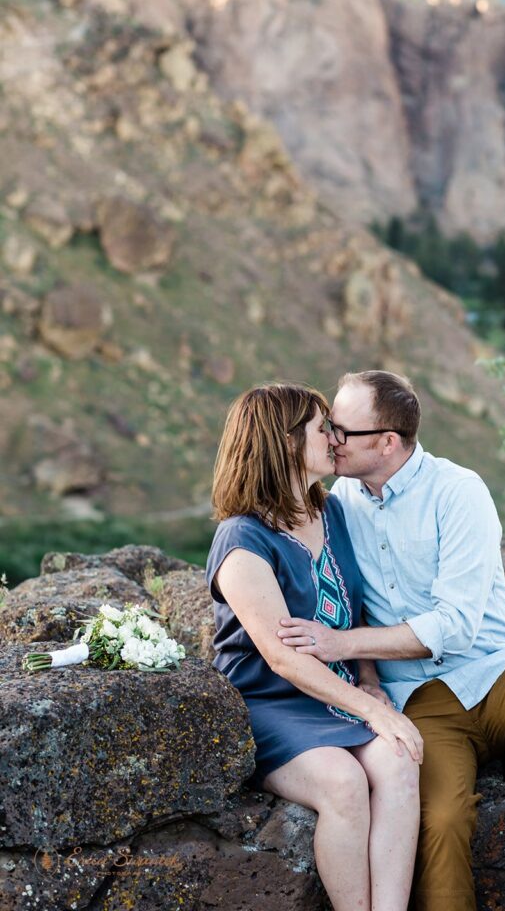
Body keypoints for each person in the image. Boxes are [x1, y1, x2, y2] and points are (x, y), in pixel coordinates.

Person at [277, 370, 505, 911]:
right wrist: (365, 679)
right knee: (439, 822)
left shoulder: (458, 491)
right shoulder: (338, 502)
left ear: (387, 442)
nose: (331, 440)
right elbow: (338, 593)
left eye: (342, 429)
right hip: (421, 704)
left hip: (498, 674)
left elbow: (457, 625)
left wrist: (340, 645)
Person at [205, 383, 422, 911]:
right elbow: (283, 656)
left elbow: (359, 611)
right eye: (322, 428)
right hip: (269, 703)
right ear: (283, 442)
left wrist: (369, 680)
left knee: (398, 761)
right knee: (345, 783)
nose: (335, 437)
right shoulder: (242, 539)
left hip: (341, 693)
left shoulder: (336, 513)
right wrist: (372, 709)